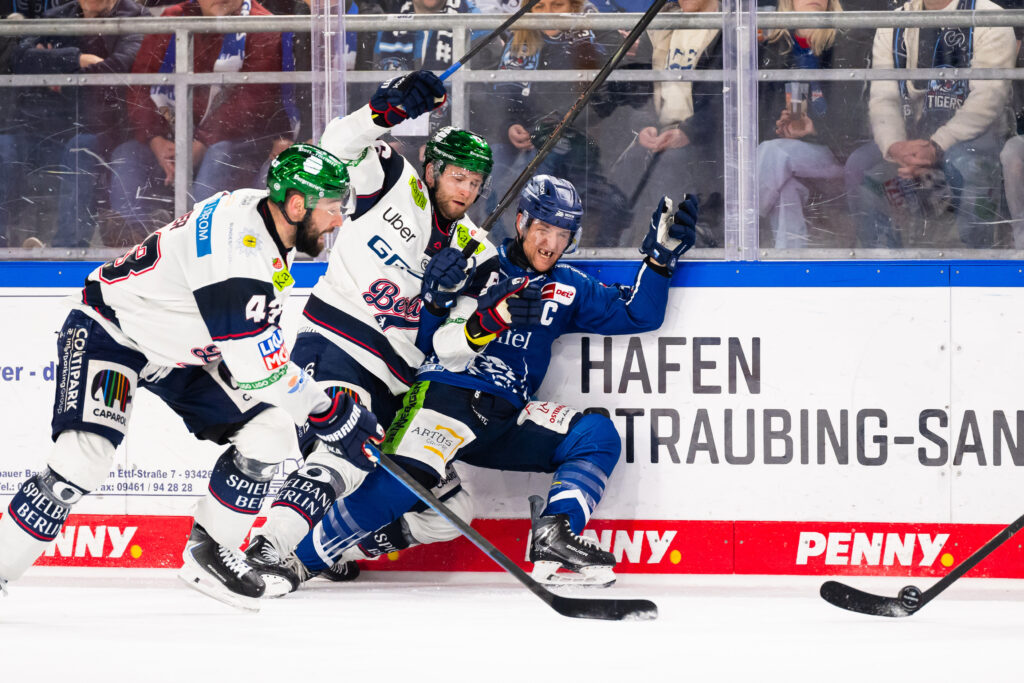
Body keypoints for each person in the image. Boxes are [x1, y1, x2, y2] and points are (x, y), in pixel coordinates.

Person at [0, 144, 385, 611]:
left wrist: (320, 410)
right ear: (298, 204)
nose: (339, 219)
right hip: (114, 334)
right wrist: (329, 411)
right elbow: (257, 368)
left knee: (271, 431)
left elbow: (253, 351)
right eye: (332, 207)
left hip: (184, 354)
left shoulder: (263, 218)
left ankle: (210, 552)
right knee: (80, 463)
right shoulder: (238, 253)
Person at [271, 176, 697, 591]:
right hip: (446, 397)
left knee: (596, 434)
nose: (550, 243)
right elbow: (436, 343)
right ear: (521, 222)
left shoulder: (569, 286)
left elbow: (639, 314)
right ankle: (298, 559)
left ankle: (555, 535)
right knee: (406, 484)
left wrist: (660, 261)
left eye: (562, 234)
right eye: (543, 228)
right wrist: (446, 297)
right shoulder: (479, 262)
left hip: (507, 416)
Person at [241, 70, 502, 593]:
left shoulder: (480, 252)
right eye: (458, 177)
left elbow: (448, 350)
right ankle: (270, 544)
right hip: (336, 342)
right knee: (342, 448)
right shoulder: (393, 179)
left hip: (397, 383)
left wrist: (450, 307)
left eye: (476, 183)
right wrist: (385, 112)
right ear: (432, 167)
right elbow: (334, 147)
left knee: (451, 510)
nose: (467, 191)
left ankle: (332, 545)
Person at [107, 0, 294, 244]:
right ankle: (138, 247)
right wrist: (155, 139)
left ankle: (198, 244)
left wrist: (202, 142)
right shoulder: (172, 18)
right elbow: (140, 86)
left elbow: (252, 99)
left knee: (218, 156)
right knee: (127, 156)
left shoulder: (262, 24)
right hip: (171, 140)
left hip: (236, 142)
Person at [845, 0, 1016, 249]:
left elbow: (988, 99)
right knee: (860, 165)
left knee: (966, 163)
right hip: (910, 145)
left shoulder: (989, 15)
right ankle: (883, 262)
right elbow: (884, 98)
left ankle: (977, 259)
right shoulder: (892, 23)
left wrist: (936, 146)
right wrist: (895, 146)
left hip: (975, 141)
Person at [0, 0, 146, 249]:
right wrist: (78, 58)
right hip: (45, 129)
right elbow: (19, 59)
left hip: (103, 129)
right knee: (4, 147)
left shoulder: (138, 17)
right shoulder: (57, 16)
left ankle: (66, 249)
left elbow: (119, 67)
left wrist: (59, 77)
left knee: (80, 149)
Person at [755, 0, 869, 248]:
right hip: (795, 155)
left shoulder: (847, 41)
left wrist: (815, 128)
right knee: (786, 189)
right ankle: (789, 260)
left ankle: (741, 223)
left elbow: (856, 117)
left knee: (774, 153)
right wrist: (781, 125)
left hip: (841, 155)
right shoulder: (775, 47)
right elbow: (757, 114)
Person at [609, 0, 723, 248]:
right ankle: (624, 245)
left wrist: (688, 131)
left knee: (667, 162)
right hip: (662, 134)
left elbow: (726, 99)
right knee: (627, 164)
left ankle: (670, 246)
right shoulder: (659, 25)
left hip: (707, 142)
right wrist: (644, 125)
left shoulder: (731, 27)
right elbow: (640, 90)